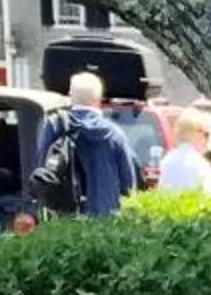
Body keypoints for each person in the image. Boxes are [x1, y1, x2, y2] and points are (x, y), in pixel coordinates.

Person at [36, 71, 139, 218]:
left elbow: (42, 171)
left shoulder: (54, 126)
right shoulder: (114, 134)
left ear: (71, 96)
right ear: (99, 98)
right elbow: (128, 185)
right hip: (105, 218)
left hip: (64, 218)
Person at [154, 108, 211, 195]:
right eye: (206, 134)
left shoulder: (165, 162)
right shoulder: (201, 166)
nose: (208, 140)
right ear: (197, 133)